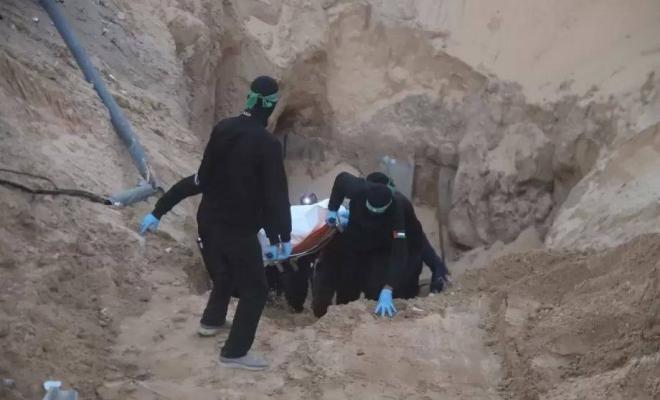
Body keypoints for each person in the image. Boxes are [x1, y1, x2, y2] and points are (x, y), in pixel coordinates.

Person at [139, 76, 291, 371]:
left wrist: (159, 211)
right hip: (238, 228)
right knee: (256, 290)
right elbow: (275, 196)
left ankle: (211, 322)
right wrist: (280, 236)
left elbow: (201, 178)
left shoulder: (223, 128)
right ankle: (234, 353)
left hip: (208, 221)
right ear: (271, 105)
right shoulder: (268, 144)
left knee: (225, 273)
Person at [313, 172, 413, 318]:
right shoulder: (359, 188)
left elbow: (400, 251)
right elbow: (341, 180)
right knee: (347, 286)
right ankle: (342, 316)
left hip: (378, 249)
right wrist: (332, 208)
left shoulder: (397, 210)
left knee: (375, 287)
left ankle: (374, 316)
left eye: (377, 212)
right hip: (353, 243)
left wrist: (388, 288)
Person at [365, 172, 450, 296]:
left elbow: (400, 249)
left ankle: (438, 279)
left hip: (409, 246)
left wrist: (389, 287)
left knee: (401, 289)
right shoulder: (370, 196)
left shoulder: (399, 206)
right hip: (389, 242)